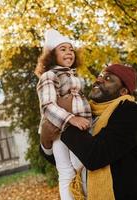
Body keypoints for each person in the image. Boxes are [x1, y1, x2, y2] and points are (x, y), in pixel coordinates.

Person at [40, 64, 137, 200]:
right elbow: (64, 159)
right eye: (100, 76)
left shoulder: (129, 111)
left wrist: (67, 119)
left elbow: (95, 156)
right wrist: (45, 139)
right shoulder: (85, 111)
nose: (99, 80)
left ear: (123, 91)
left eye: (108, 78)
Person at [35, 29, 92, 200]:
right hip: (60, 129)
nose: (69, 52)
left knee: (80, 165)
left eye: (71, 49)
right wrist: (71, 118)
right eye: (63, 49)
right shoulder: (49, 76)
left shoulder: (72, 75)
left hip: (77, 128)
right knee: (67, 170)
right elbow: (47, 105)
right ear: (52, 55)